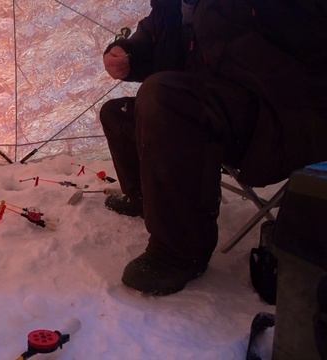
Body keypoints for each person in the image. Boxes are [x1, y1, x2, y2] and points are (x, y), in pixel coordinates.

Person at [99, 0, 327, 295]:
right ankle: (145, 196)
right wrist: (128, 53)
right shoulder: (176, 7)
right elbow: (155, 36)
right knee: (119, 114)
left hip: (277, 117)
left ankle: (180, 251)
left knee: (165, 98)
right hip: (216, 109)